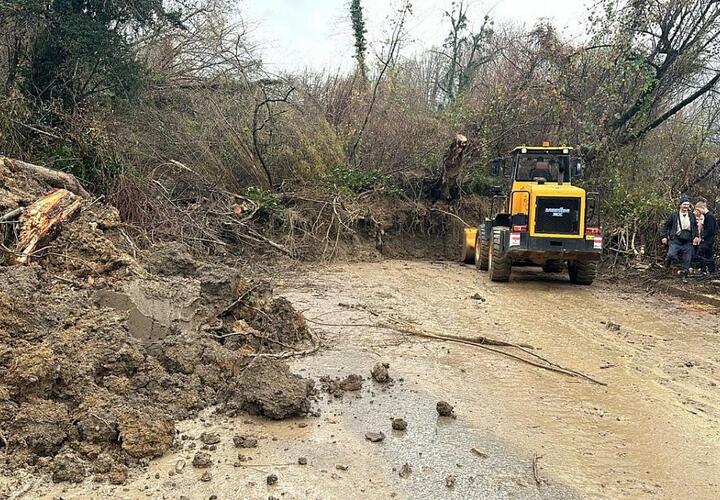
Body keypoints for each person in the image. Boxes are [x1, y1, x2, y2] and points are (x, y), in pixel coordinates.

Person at [662, 195, 699, 277]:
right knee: (671, 254)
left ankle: (684, 275)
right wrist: (664, 236)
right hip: (676, 240)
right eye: (684, 204)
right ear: (680, 205)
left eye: (687, 204)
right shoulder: (674, 215)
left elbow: (695, 227)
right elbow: (666, 226)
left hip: (687, 241)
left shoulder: (691, 215)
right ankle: (667, 265)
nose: (686, 206)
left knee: (687, 259)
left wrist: (696, 236)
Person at [694, 200, 717, 274]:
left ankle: (704, 270)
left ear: (702, 207)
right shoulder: (707, 216)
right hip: (708, 239)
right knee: (709, 254)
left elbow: (711, 230)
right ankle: (711, 270)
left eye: (698, 209)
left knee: (700, 252)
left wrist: (703, 237)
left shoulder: (709, 216)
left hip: (708, 239)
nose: (698, 212)